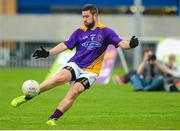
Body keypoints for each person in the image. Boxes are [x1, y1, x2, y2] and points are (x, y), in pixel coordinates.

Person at [11, 4, 139, 126]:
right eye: (83, 16)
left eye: (86, 16)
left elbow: (122, 43)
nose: (84, 19)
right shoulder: (79, 32)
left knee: (74, 91)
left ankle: (53, 118)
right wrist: (48, 53)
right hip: (76, 64)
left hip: (91, 72)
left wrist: (131, 45)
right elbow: (64, 45)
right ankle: (28, 96)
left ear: (95, 16)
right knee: (59, 78)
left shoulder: (106, 32)